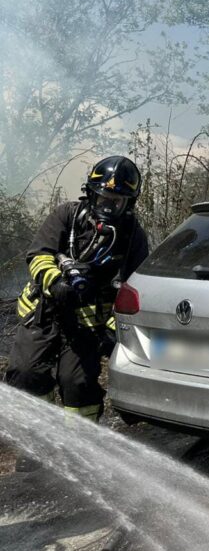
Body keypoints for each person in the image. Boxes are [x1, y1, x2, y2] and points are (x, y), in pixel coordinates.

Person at [3, 156, 149, 421]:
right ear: (90, 195)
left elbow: (136, 289)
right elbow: (38, 256)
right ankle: (38, 440)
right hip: (43, 312)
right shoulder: (67, 216)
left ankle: (78, 448)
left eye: (116, 202)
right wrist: (57, 283)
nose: (107, 206)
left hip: (87, 323)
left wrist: (112, 331)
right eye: (102, 198)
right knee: (26, 374)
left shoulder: (131, 237)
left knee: (77, 383)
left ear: (129, 204)